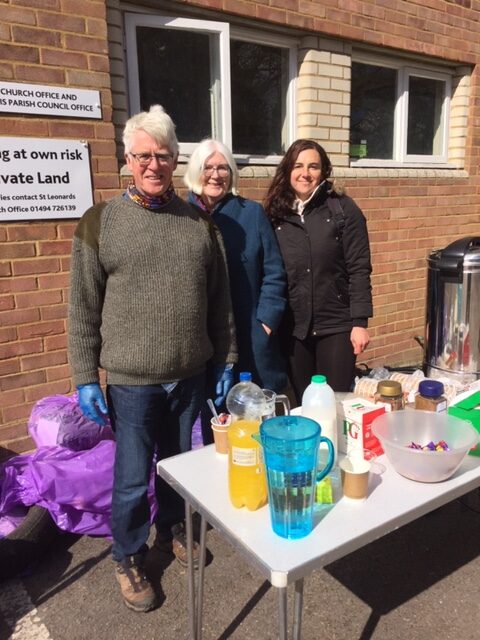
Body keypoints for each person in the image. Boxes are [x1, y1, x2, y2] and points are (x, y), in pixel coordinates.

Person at [68, 106, 237, 613]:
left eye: (163, 155)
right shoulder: (101, 222)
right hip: (131, 381)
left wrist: (226, 357)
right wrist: (85, 377)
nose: (154, 164)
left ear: (174, 159)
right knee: (132, 475)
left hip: (189, 375)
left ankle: (171, 532)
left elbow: (221, 301)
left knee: (180, 468)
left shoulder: (200, 227)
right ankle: (128, 554)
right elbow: (81, 306)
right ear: (127, 159)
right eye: (144, 155)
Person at [184, 139, 287, 440]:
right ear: (195, 171)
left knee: (258, 420)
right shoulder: (182, 215)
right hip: (203, 339)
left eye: (223, 167)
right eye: (208, 167)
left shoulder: (251, 213)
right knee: (215, 422)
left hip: (249, 334)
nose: (216, 175)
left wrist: (266, 321)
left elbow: (274, 271)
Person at [264, 139, 372, 403]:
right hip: (293, 328)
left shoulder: (343, 209)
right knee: (304, 404)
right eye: (298, 165)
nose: (305, 173)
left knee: (334, 403)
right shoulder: (274, 214)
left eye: (313, 166)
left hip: (336, 325)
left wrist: (360, 323)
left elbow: (359, 268)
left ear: (323, 172)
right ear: (287, 170)